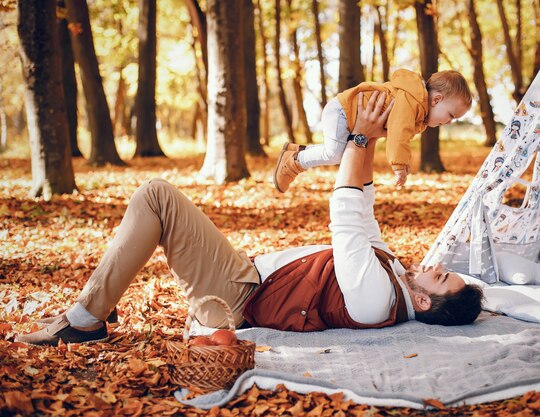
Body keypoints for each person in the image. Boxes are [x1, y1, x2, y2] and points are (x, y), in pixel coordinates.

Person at [16, 93, 483, 347]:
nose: (440, 267)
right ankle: (104, 298)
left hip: (238, 296)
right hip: (247, 273)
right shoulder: (394, 273)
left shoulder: (376, 300)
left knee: (156, 195)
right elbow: (362, 208)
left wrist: (360, 136)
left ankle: (86, 318)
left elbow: (343, 217)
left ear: (422, 303)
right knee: (157, 197)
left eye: (443, 280)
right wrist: (370, 136)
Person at [273, 69, 472, 192]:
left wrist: (404, 159)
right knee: (335, 154)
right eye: (451, 116)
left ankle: (296, 150)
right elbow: (398, 132)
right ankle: (294, 163)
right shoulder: (411, 101)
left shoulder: (416, 108)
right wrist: (399, 164)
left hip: (347, 114)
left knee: (341, 152)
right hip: (343, 111)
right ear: (437, 99)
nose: (449, 123)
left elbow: (402, 137)